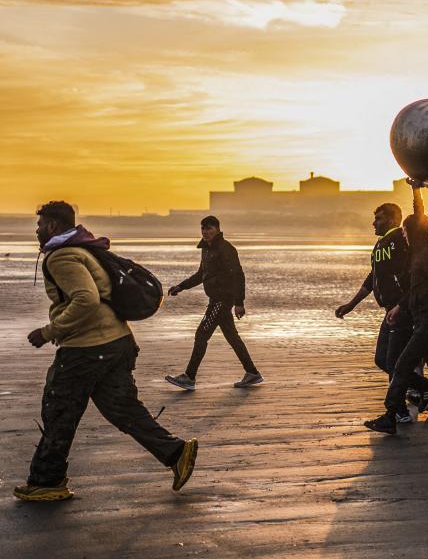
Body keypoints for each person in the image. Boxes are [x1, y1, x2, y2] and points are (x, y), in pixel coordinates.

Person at [16, 201, 197, 502]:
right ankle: (177, 452)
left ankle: (47, 482)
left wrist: (48, 333)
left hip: (86, 349)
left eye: (39, 225)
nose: (36, 230)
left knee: (59, 410)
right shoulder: (83, 249)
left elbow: (85, 300)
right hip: (117, 342)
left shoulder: (62, 257)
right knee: (123, 409)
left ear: (53, 226)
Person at [365, 214, 428, 434]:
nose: (404, 236)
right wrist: (400, 306)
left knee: (401, 364)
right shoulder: (418, 255)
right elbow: (416, 290)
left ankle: (391, 415)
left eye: (406, 232)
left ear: (414, 233)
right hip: (421, 318)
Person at [164, 216, 261, 390]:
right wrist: (181, 286)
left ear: (217, 229)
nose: (205, 232)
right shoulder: (206, 249)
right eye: (202, 229)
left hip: (222, 300)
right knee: (232, 337)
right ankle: (252, 373)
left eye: (209, 229)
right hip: (216, 300)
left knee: (201, 334)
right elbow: (202, 274)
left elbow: (238, 275)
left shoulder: (226, 249)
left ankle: (189, 377)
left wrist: (239, 302)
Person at [335, 203, 412, 384]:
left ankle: (400, 406)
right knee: (382, 360)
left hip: (402, 310)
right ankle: (422, 387)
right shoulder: (380, 244)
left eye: (379, 218)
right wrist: (351, 305)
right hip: (389, 310)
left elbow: (412, 276)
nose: (374, 223)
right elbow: (372, 278)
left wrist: (402, 305)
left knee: (393, 362)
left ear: (392, 220)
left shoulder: (401, 240)